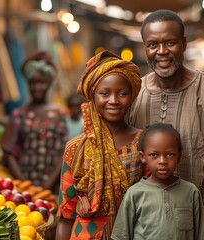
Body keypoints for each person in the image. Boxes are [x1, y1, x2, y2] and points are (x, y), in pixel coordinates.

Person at [127, 9, 204, 239]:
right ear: (144, 48)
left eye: (170, 43)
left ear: (184, 43)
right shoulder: (133, 95)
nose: (162, 52)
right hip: (148, 230)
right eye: (152, 45)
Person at [55, 50, 150, 239]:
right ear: (92, 97)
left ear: (131, 97)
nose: (113, 100)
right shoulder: (76, 148)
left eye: (122, 93)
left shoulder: (144, 142)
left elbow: (155, 200)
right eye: (104, 94)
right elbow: (66, 216)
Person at [111, 123, 204, 240]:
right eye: (154, 155)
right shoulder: (134, 194)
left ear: (179, 156)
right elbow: (121, 236)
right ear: (143, 157)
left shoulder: (191, 192)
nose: (162, 161)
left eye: (170, 154)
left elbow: (200, 236)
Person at [0, 51, 68, 192]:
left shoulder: (60, 114)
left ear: (49, 84)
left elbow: (66, 153)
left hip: (54, 188)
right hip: (23, 188)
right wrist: (26, 185)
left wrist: (48, 184)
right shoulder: (19, 114)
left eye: (42, 83)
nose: (37, 88)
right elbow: (9, 153)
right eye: (33, 83)